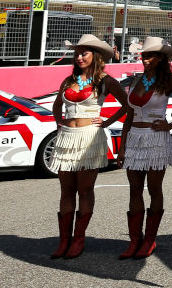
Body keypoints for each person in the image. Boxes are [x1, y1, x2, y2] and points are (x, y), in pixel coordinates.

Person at [117, 36, 172, 259]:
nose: (145, 59)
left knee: (154, 189)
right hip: (134, 137)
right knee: (134, 190)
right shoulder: (135, 82)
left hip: (156, 139)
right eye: (143, 55)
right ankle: (134, 240)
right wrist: (122, 146)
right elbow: (129, 115)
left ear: (161, 58)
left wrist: (171, 124)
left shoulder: (169, 82)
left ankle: (149, 240)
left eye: (150, 55)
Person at [48, 35, 129, 259]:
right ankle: (64, 240)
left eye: (84, 53)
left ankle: (78, 239)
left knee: (84, 189)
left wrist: (108, 121)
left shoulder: (105, 81)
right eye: (77, 54)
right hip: (66, 137)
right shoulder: (67, 80)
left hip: (89, 138)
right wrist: (59, 122)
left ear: (96, 56)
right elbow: (57, 105)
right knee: (66, 190)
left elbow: (128, 106)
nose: (79, 57)